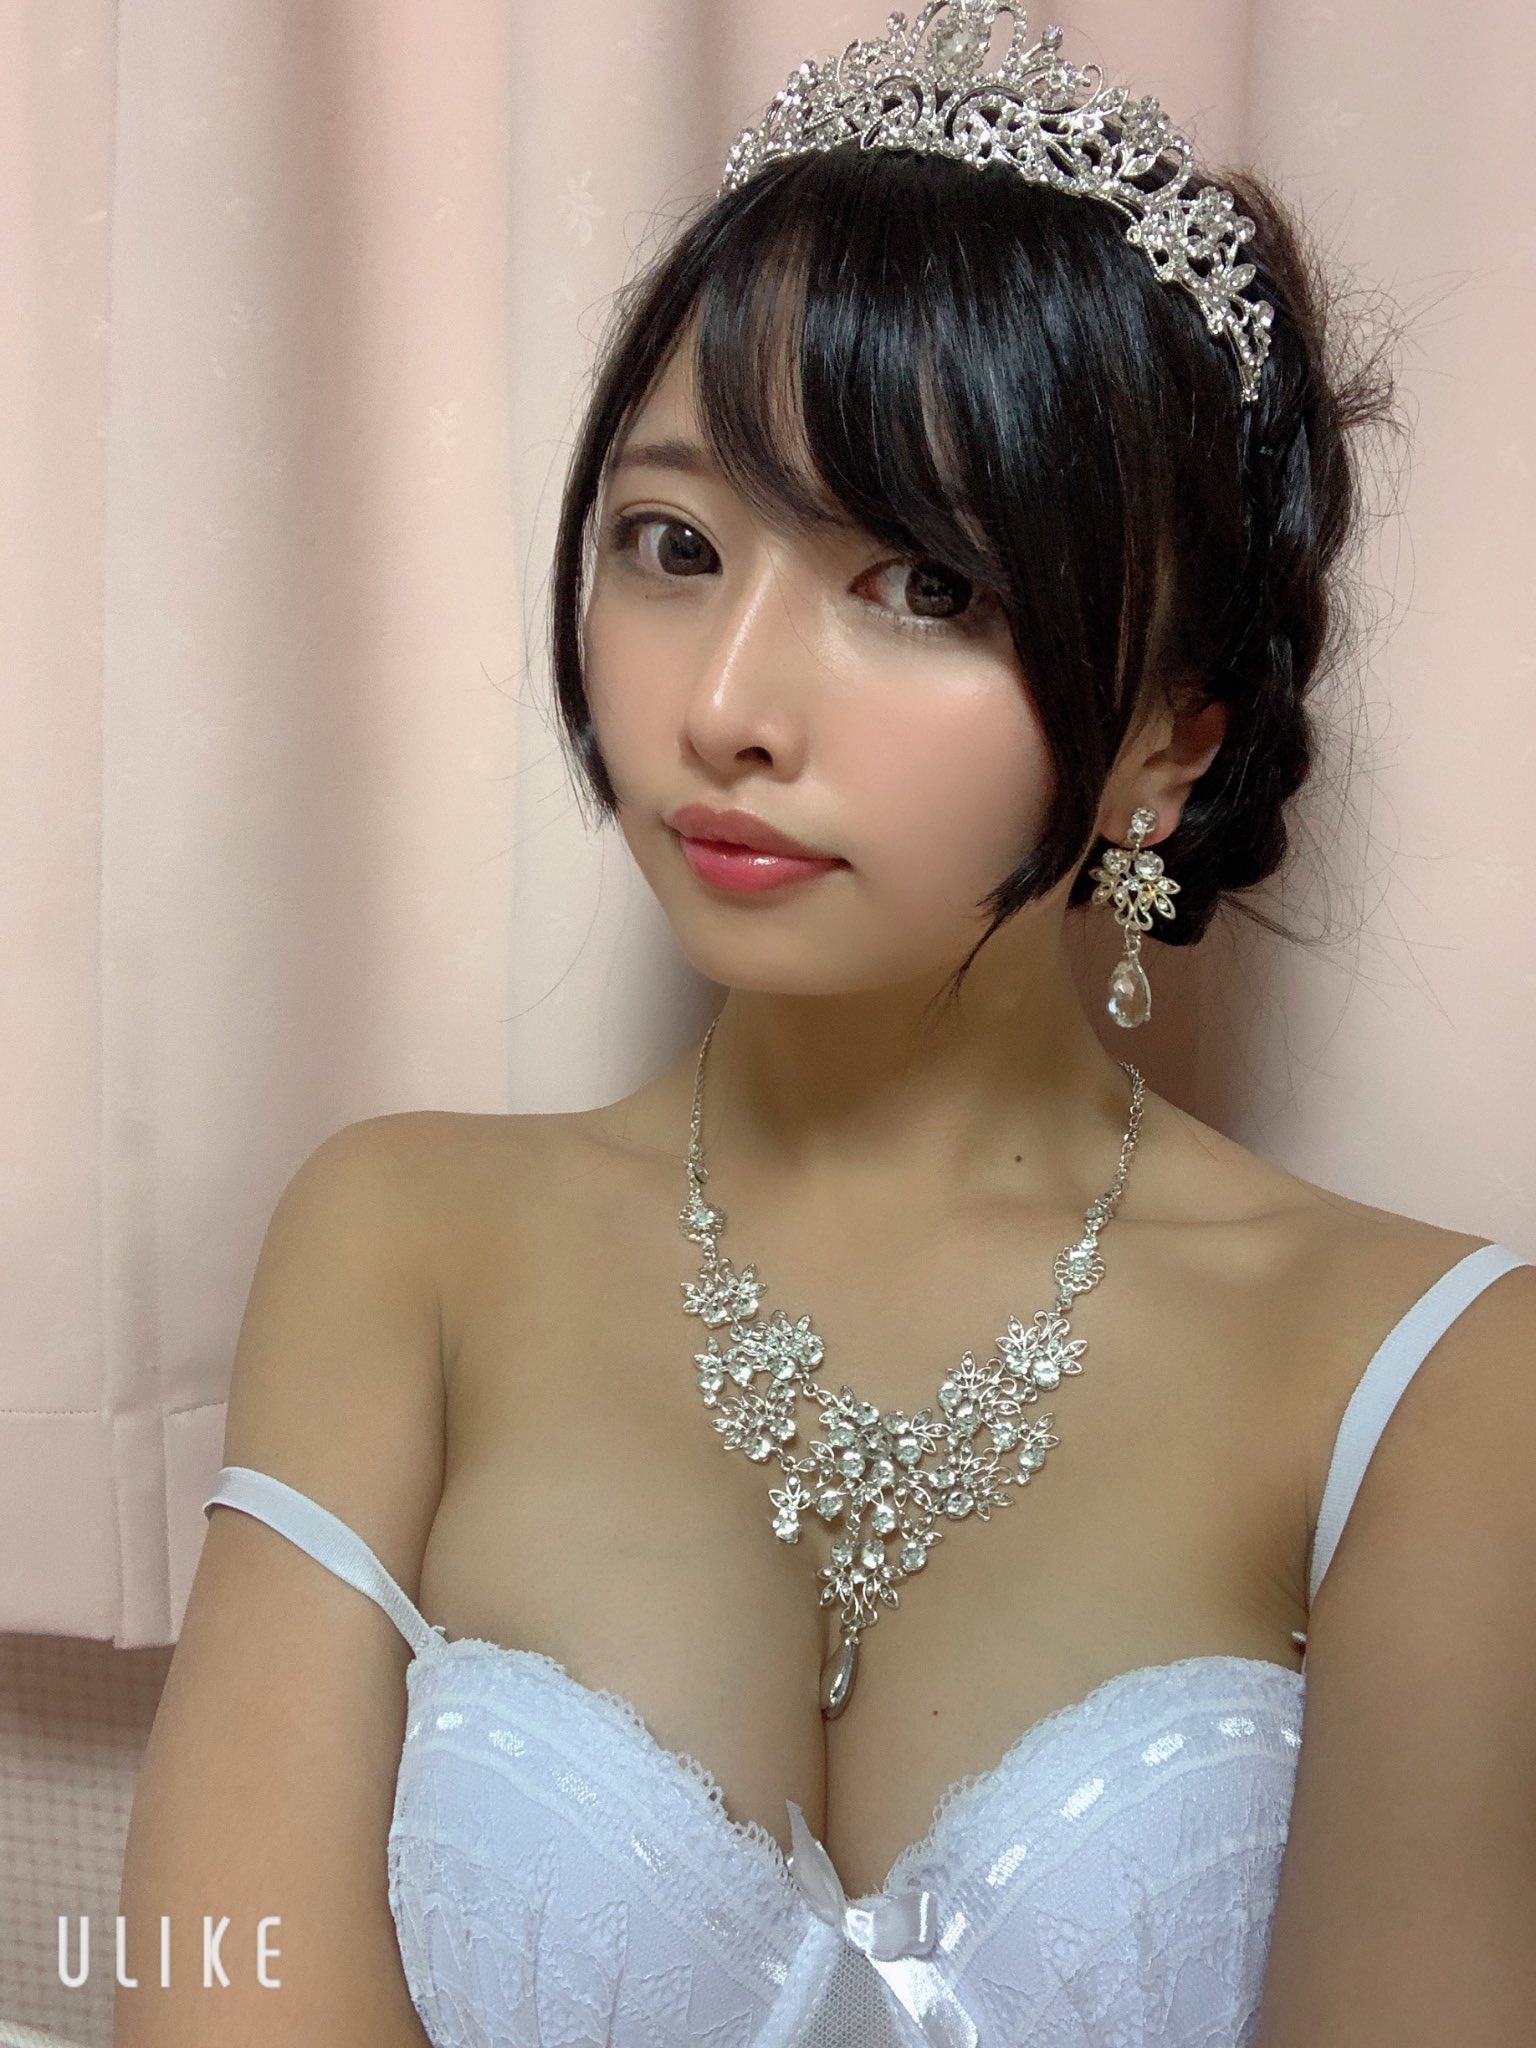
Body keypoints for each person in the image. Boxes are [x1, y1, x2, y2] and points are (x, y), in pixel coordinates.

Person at [117, 7, 1536, 2045]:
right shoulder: (399, 1244)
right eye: (676, 546)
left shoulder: (1439, 1384)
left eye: (924, 586)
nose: (726, 705)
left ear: (1169, 738)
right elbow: (207, 1996)